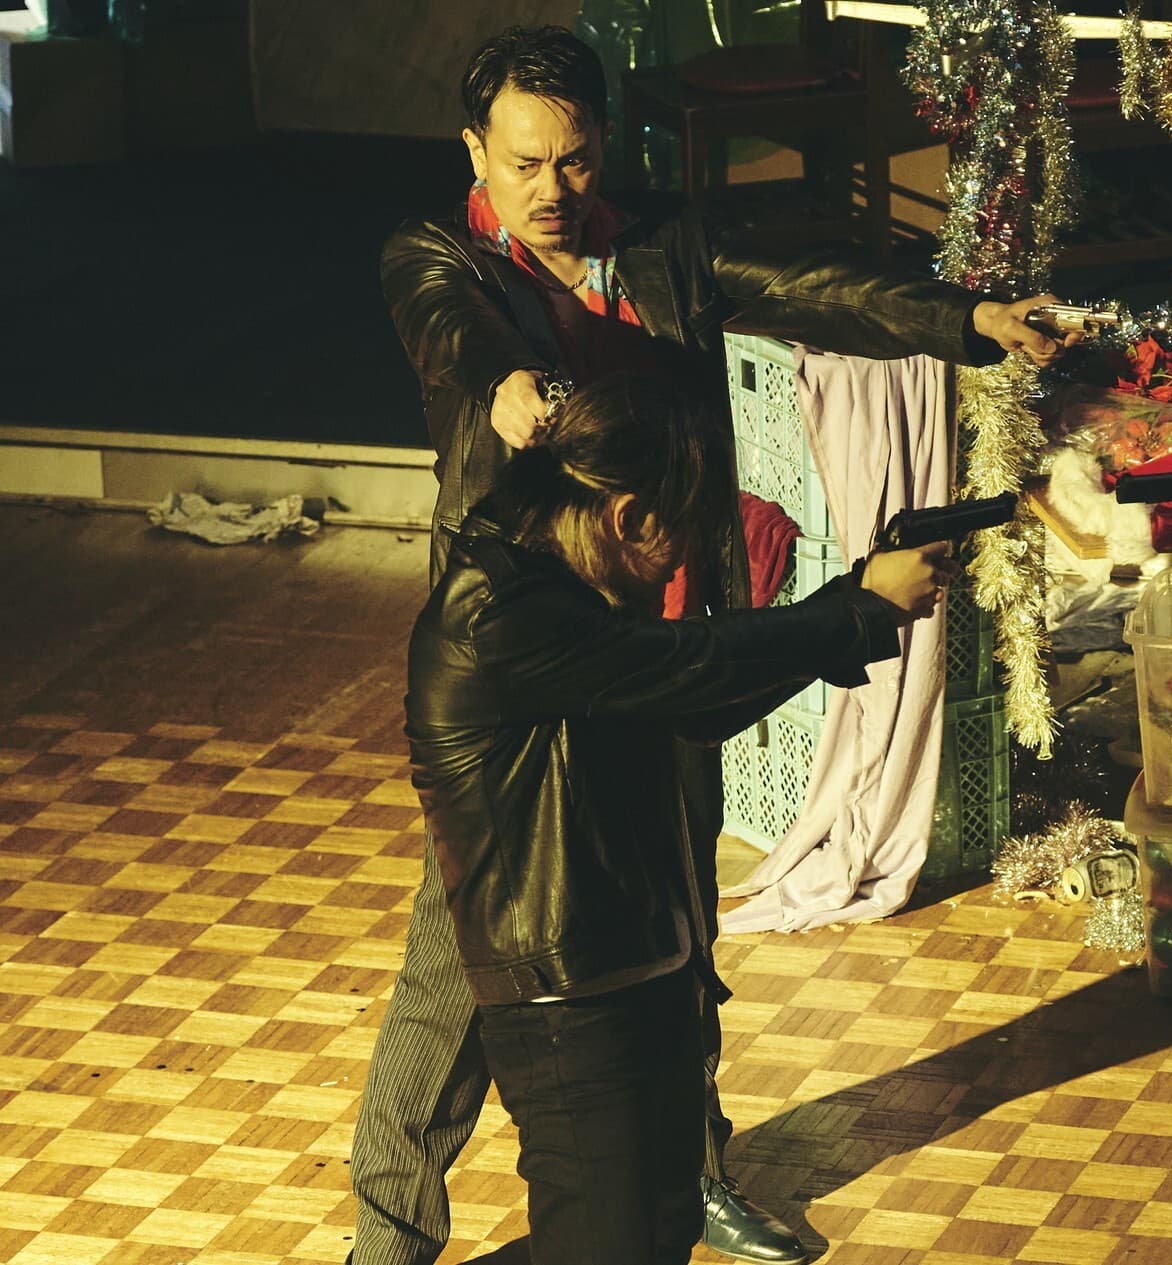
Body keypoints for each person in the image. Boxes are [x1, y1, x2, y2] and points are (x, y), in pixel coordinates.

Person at [354, 24, 1077, 1265]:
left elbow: (818, 286)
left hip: (666, 626)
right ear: (475, 151)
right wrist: (508, 385)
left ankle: (693, 1172)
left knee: (676, 931)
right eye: (523, 162)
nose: (551, 189)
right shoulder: (442, 259)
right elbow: (454, 332)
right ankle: (389, 1236)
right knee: (463, 965)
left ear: (603, 145)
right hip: (532, 661)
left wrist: (968, 316)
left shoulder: (658, 248)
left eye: (574, 160)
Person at [406, 372, 955, 1264]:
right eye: (686, 527)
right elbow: (689, 662)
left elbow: (695, 698)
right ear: (626, 516)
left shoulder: (569, 578)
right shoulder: (503, 612)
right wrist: (858, 610)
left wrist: (854, 604)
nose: (688, 557)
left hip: (642, 968)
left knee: (658, 1230)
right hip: (567, 1003)